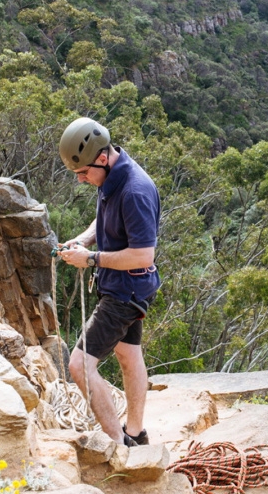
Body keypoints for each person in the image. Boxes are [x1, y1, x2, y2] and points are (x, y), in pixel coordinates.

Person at [56, 117, 160, 447]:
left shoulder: (135, 191)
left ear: (103, 157)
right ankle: (135, 433)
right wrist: (84, 241)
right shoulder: (112, 178)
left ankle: (118, 443)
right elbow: (102, 215)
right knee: (129, 357)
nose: (82, 179)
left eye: (84, 173)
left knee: (80, 365)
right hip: (123, 285)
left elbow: (144, 255)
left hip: (126, 290)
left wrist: (91, 259)